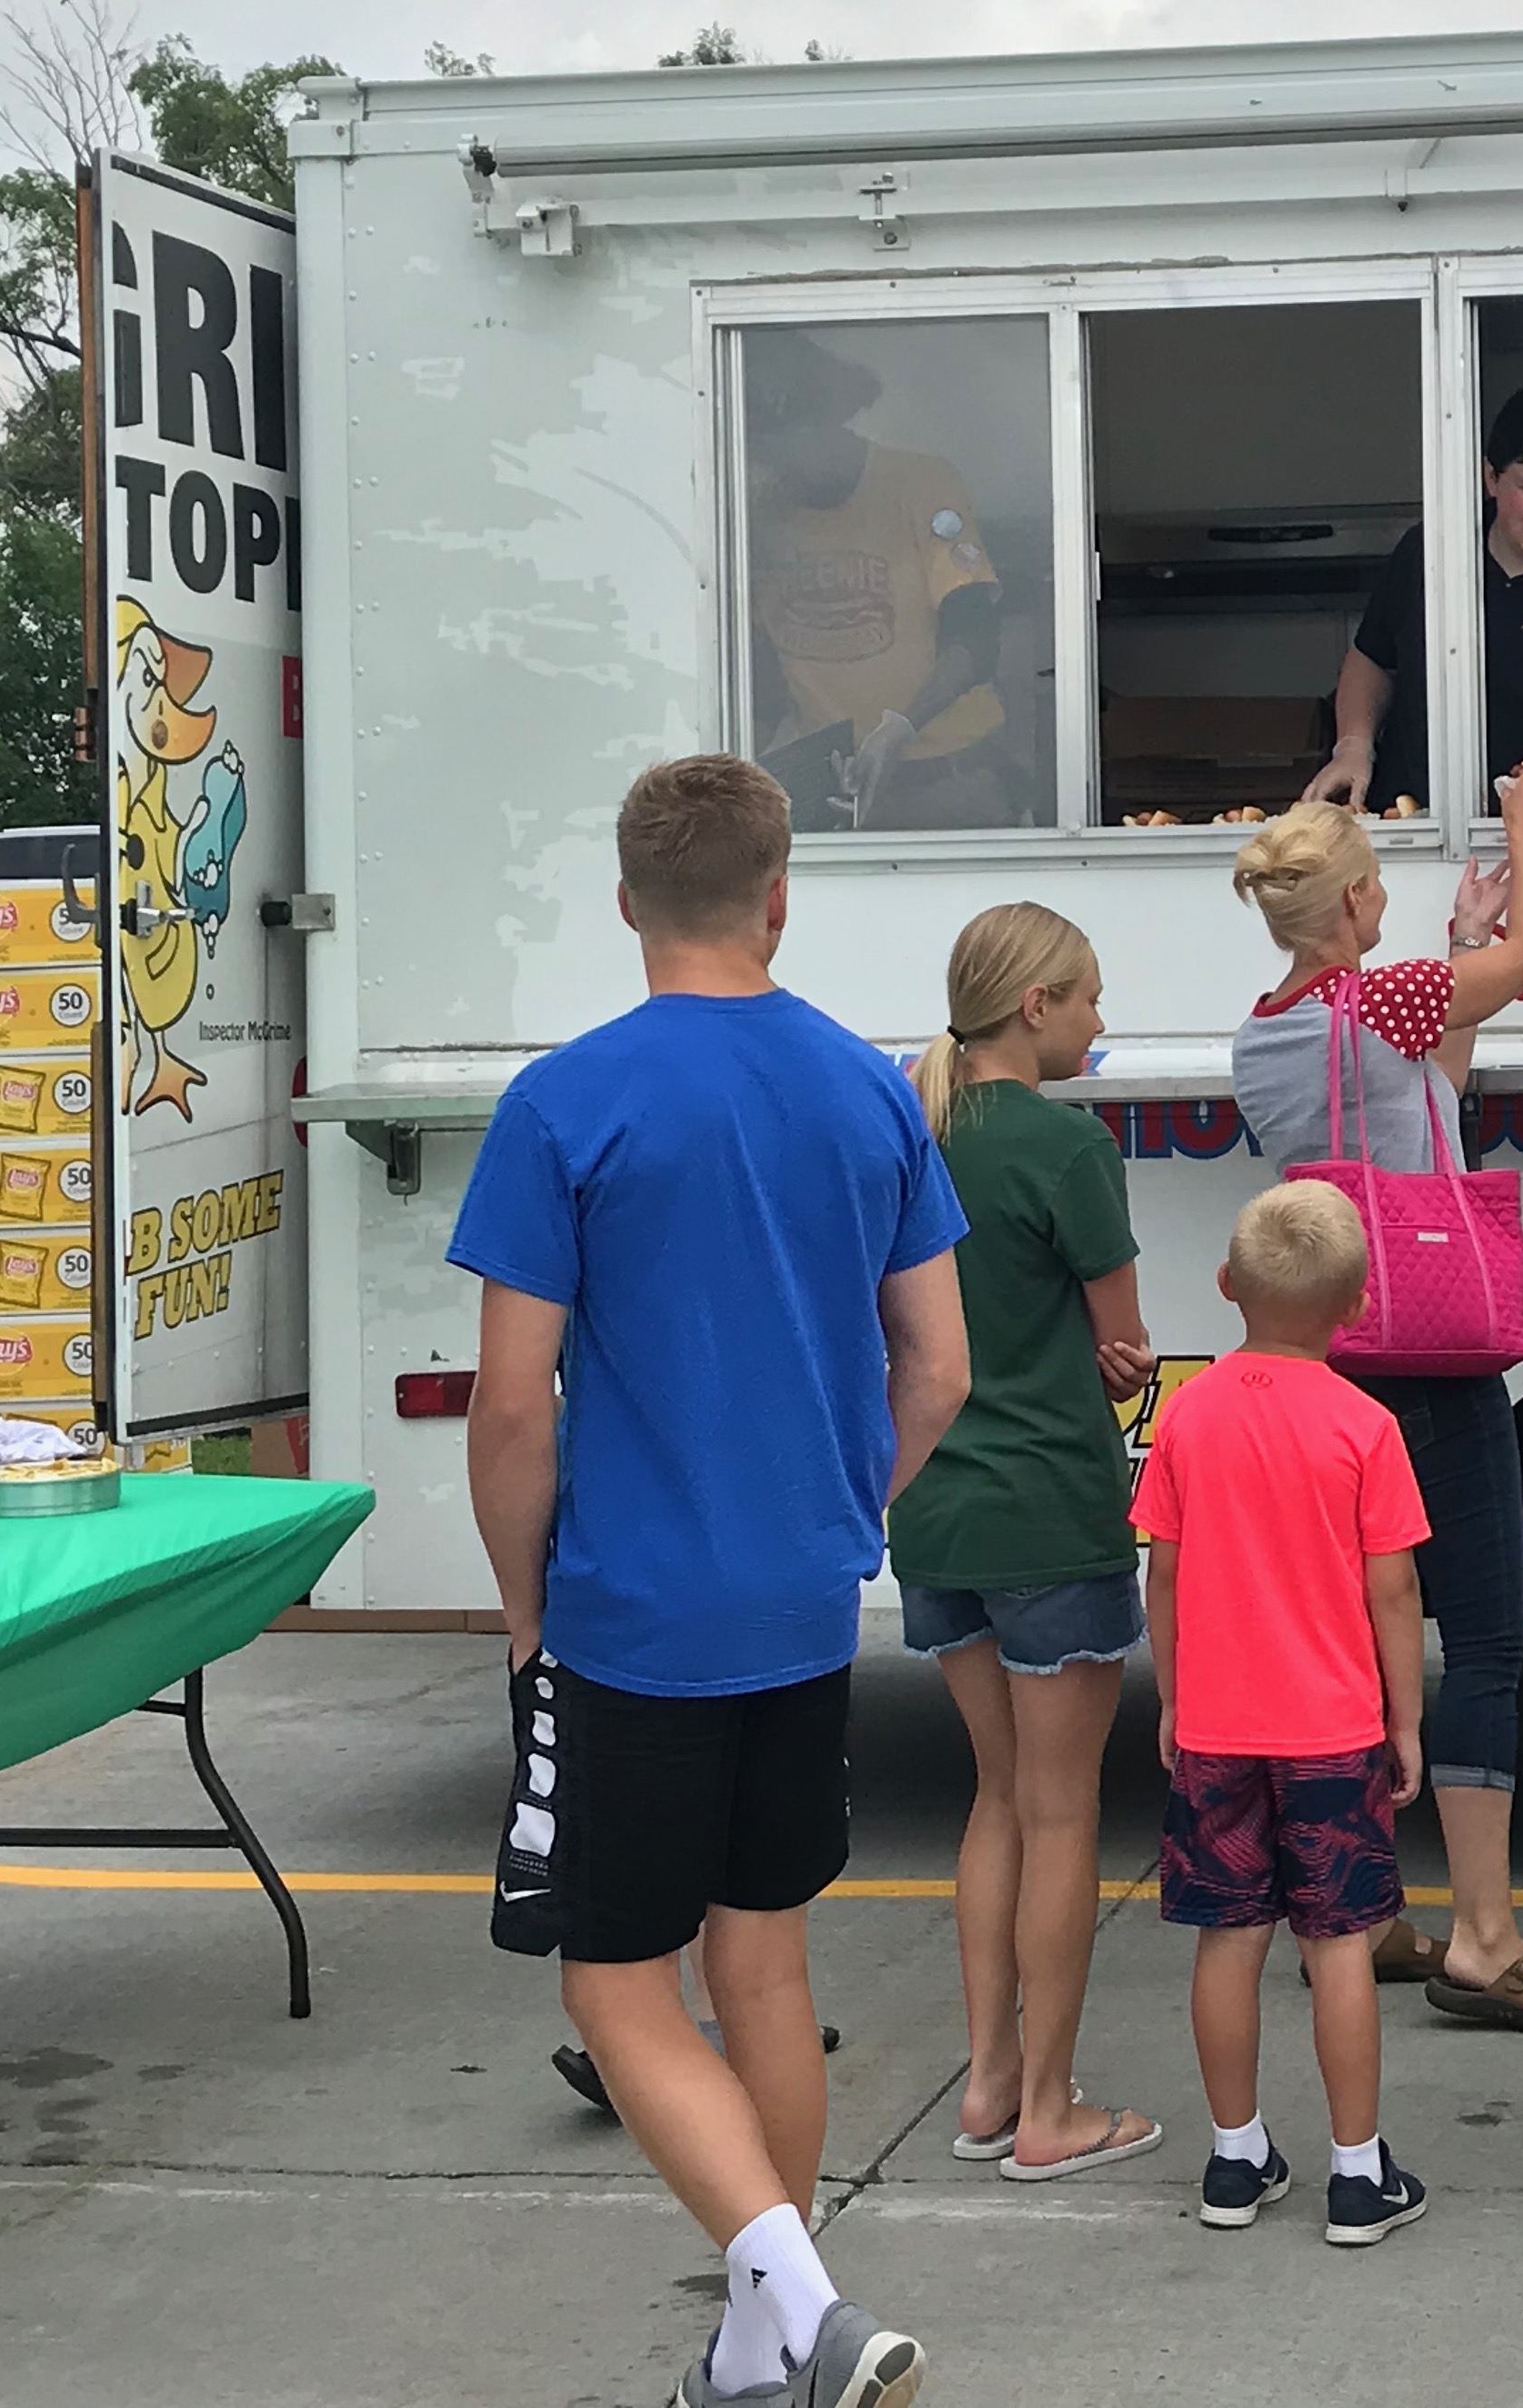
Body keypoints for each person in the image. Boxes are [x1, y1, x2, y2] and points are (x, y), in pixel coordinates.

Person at [453, 754, 967, 2408]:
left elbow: (513, 1400)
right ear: (779, 892)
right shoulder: (871, 1087)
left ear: (624, 905)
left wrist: (526, 1603)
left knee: (615, 1977)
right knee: (765, 1963)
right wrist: (841, 1505)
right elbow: (938, 1364)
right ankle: (766, 2341)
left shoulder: (564, 1100)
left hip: (633, 1609)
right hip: (802, 1600)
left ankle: (799, 2304)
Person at [1225, 768, 1523, 2032]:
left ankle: (1363, 1904)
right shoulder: (1374, 1004)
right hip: (1435, 1369)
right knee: (1489, 1642)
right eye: (1377, 887)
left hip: (1338, 1359)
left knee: (1351, 1643)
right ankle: (1487, 1939)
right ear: (1349, 903)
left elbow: (1430, 1085)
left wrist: (1452, 948)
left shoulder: (1271, 1030)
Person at [894, 903, 1164, 2181]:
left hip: (934, 1506)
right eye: (1093, 996)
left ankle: (989, 2081)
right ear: (1035, 1007)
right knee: (1065, 1814)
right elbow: (1126, 1347)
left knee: (994, 1799)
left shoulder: (914, 1125)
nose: (1102, 1021)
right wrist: (1124, 1360)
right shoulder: (1066, 1146)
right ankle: (1052, 2110)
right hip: (1050, 1505)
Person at [1135, 1180, 1435, 2244]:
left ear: (1226, 1288)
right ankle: (1358, 2176)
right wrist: (1403, 1720)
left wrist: (1174, 1693)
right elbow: (1392, 1589)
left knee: (1228, 1939)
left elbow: (1163, 1573)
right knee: (1340, 1943)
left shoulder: (1190, 1415)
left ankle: (1234, 2158)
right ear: (1356, 1307)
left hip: (1217, 1723)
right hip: (1332, 1728)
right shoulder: (1366, 1425)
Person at [1303, 382, 1523, 818]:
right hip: (1407, 819)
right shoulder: (1430, 550)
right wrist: (1353, 747)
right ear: (1490, 477)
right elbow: (1372, 657)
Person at [741, 333, 1027, 834]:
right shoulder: (762, 519)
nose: (775, 466)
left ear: (826, 420)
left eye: (781, 445)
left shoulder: (922, 485)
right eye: (762, 452)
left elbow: (976, 637)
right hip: (835, 793)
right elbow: (762, 668)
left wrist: (899, 728)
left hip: (953, 782)